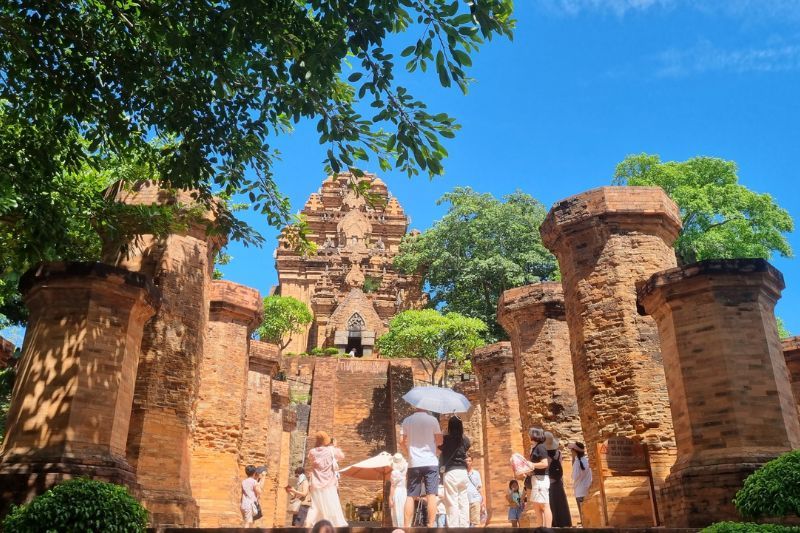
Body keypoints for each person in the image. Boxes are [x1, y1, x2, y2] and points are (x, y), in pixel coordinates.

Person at [400, 407, 443, 527]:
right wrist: (436, 452)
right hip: (431, 462)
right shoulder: (433, 420)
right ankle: (431, 525)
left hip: (414, 462)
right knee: (431, 494)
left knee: (411, 495)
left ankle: (406, 526)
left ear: (415, 407)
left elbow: (401, 441)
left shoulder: (407, 420)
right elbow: (440, 441)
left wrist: (408, 453)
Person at [304, 431, 348, 527]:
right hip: (329, 484)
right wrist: (334, 446)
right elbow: (341, 456)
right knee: (331, 505)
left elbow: (311, 458)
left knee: (315, 506)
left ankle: (308, 523)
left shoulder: (312, 451)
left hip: (315, 484)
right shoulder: (331, 450)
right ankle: (330, 526)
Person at [439, 416, 470, 527]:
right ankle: (465, 527)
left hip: (451, 473)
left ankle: (454, 528)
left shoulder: (446, 439)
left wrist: (443, 433)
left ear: (450, 426)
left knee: (452, 501)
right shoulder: (465, 439)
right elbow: (467, 446)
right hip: (463, 472)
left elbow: (439, 445)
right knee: (464, 501)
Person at [544, 432, 572, 527]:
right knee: (561, 503)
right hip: (558, 482)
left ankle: (553, 523)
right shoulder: (559, 453)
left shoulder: (544, 456)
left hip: (548, 483)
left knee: (551, 504)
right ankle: (564, 522)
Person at [526, 427, 553, 528]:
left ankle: (548, 528)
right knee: (536, 506)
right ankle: (540, 527)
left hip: (541, 480)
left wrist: (531, 464)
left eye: (530, 434)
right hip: (536, 479)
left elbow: (545, 463)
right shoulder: (534, 448)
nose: (529, 437)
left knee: (544, 505)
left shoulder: (540, 447)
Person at [569, 441, 592, 525]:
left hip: (579, 492)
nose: (571, 452)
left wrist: (573, 460)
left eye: (572, 450)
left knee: (583, 516)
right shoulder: (587, 461)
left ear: (575, 451)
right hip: (587, 490)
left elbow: (574, 477)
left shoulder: (577, 463)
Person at [389, 453, 408, 527]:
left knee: (397, 512)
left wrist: (390, 498)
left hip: (397, 492)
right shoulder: (407, 469)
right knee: (404, 512)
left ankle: (398, 528)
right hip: (405, 492)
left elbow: (393, 486)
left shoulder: (394, 473)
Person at [465, 455, 485, 526]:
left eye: (469, 461)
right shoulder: (462, 473)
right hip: (464, 501)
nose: (468, 462)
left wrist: (483, 501)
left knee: (476, 523)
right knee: (465, 523)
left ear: (472, 462)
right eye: (466, 461)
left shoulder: (476, 473)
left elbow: (479, 487)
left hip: (475, 500)